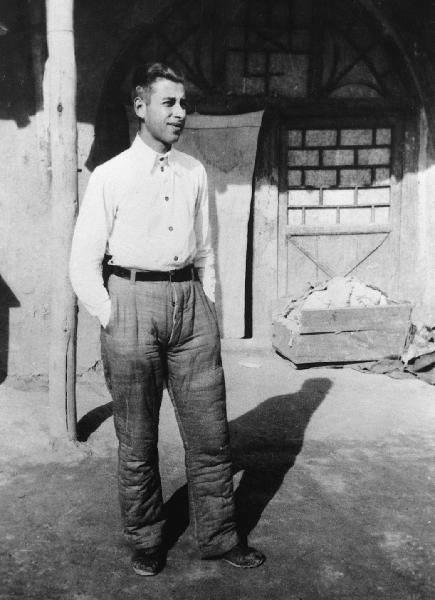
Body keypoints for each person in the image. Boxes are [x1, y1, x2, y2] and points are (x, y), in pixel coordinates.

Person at [69, 63, 265, 576]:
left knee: (211, 436)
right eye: (169, 103)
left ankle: (219, 537)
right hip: (131, 303)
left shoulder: (194, 171)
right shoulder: (111, 175)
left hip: (190, 305)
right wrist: (111, 314)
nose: (180, 113)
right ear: (141, 107)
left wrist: (209, 308)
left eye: (183, 104)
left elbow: (206, 250)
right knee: (137, 440)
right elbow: (82, 262)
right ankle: (147, 539)